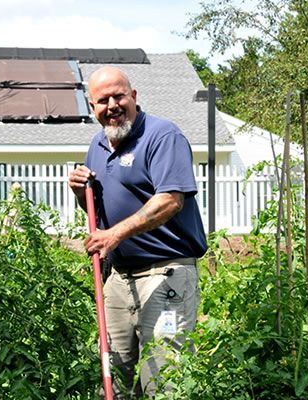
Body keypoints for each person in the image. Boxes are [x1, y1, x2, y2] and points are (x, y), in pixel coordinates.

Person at [68, 66, 207, 398]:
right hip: (119, 279)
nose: (113, 105)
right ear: (93, 108)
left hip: (166, 274)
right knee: (117, 374)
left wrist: (115, 235)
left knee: (163, 376)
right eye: (103, 100)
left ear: (134, 96)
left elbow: (170, 200)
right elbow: (100, 215)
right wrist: (79, 193)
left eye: (119, 95)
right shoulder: (97, 148)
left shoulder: (162, 136)